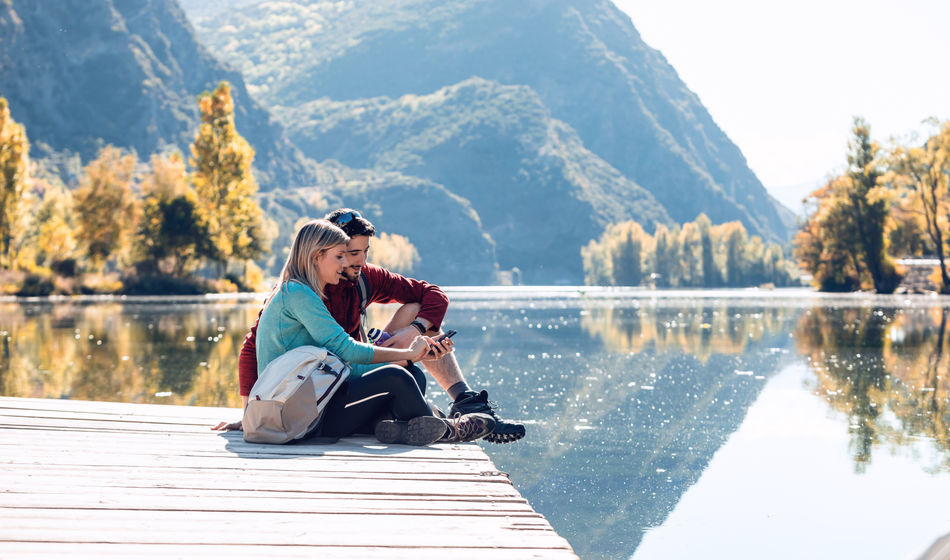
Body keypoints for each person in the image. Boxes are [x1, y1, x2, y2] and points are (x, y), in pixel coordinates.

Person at [235, 208, 526, 444]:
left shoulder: (338, 282)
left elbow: (432, 295)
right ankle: (451, 429)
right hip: (305, 404)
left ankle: (415, 421)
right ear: (318, 255)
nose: (358, 261)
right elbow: (342, 351)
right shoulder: (300, 295)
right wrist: (252, 412)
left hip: (321, 388)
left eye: (364, 251)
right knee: (398, 378)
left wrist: (415, 335)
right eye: (344, 254)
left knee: (411, 376)